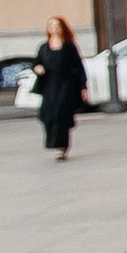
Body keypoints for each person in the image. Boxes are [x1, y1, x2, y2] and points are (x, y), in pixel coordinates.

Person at [35, 16, 89, 165]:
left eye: (57, 25)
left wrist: (83, 86)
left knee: (61, 115)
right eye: (51, 25)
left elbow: (79, 67)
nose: (54, 27)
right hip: (49, 87)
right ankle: (53, 142)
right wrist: (38, 68)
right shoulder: (44, 47)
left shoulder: (69, 47)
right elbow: (36, 63)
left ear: (62, 27)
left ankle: (62, 148)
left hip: (66, 85)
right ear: (48, 29)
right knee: (48, 116)